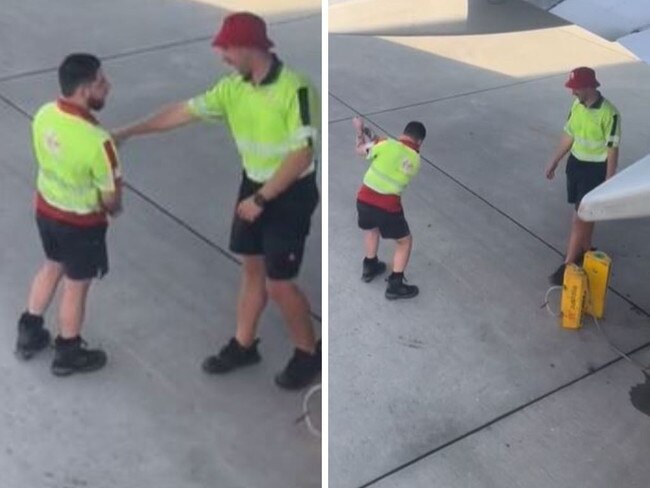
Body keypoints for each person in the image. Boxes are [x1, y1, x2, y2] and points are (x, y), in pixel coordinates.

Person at [112, 12, 321, 390]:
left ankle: (309, 353)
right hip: (254, 185)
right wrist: (129, 131)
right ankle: (244, 345)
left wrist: (262, 198)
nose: (222, 57)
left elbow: (302, 155)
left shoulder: (296, 88)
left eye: (226, 50)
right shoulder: (232, 88)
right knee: (252, 269)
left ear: (247, 47)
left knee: (280, 283)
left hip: (288, 193)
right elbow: (181, 112)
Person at [16, 53, 122, 376]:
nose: (108, 87)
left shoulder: (45, 114)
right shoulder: (98, 141)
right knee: (76, 286)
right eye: (101, 83)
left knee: (51, 266)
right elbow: (111, 200)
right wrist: (113, 205)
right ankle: (68, 349)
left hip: (46, 212)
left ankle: (30, 331)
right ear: (83, 90)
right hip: (81, 225)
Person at [545, 67, 620, 285]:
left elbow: (613, 149)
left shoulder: (610, 114)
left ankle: (568, 264)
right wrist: (555, 160)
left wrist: (609, 182)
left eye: (575, 88)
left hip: (595, 170)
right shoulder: (576, 105)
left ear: (588, 87)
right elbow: (569, 135)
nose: (572, 93)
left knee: (580, 216)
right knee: (584, 214)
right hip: (576, 166)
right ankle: (587, 249)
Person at [353, 116, 425, 300]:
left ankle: (369, 267)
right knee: (404, 242)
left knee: (371, 229)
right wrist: (373, 137)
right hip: (388, 207)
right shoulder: (416, 161)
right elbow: (393, 152)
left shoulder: (386, 144)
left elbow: (361, 150)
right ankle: (395, 284)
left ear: (403, 133)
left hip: (364, 199)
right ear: (420, 142)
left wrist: (360, 130)